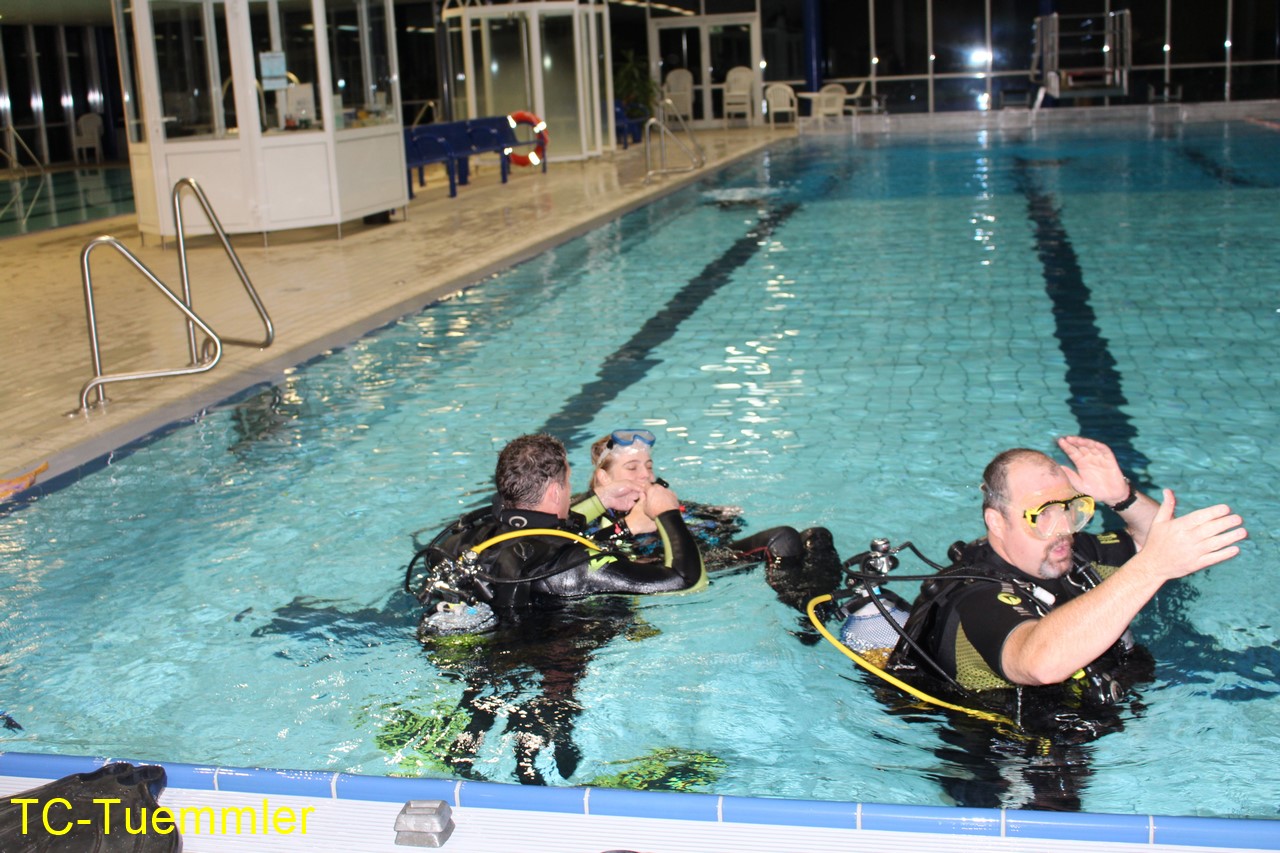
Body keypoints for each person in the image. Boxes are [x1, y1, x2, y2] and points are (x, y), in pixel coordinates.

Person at [893, 435, 1247, 703]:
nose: (1063, 527)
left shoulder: (1070, 554)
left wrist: (1120, 496)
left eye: (1071, 508)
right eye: (1041, 514)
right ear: (997, 523)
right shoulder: (972, 597)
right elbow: (1039, 663)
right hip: (1000, 754)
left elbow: (1159, 541)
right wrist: (1150, 569)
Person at [415, 433, 706, 628]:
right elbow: (685, 581)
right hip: (539, 673)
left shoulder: (462, 539)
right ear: (556, 492)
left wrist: (600, 500)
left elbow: (541, 530)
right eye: (567, 483)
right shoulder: (576, 564)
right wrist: (668, 513)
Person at [584, 428, 841, 613]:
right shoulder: (587, 515)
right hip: (681, 574)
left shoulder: (660, 499)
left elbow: (724, 526)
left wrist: (716, 516)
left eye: (649, 466)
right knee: (783, 536)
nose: (646, 475)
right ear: (604, 478)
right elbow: (584, 557)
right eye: (632, 468)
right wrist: (629, 528)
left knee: (817, 536)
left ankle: (817, 609)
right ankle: (808, 611)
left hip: (709, 556)